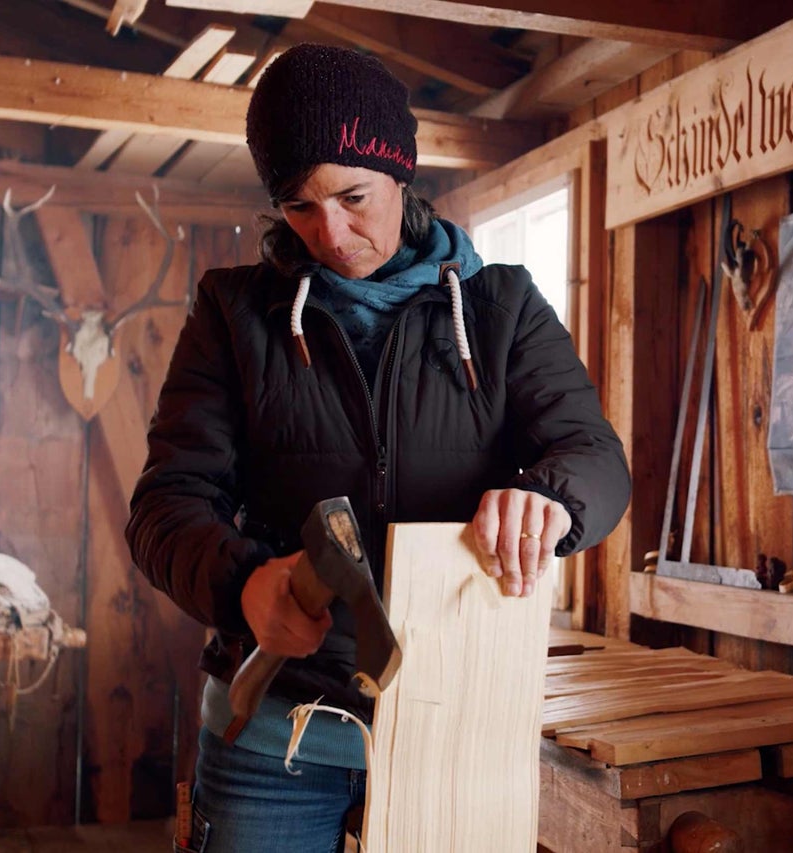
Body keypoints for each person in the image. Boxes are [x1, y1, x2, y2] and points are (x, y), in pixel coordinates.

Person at [126, 43, 630, 853]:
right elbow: (164, 506)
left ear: (400, 172)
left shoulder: (505, 309)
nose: (331, 233)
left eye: (353, 196)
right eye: (298, 207)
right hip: (276, 735)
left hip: (456, 726)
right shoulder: (234, 314)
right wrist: (243, 583)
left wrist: (550, 496)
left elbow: (597, 457)